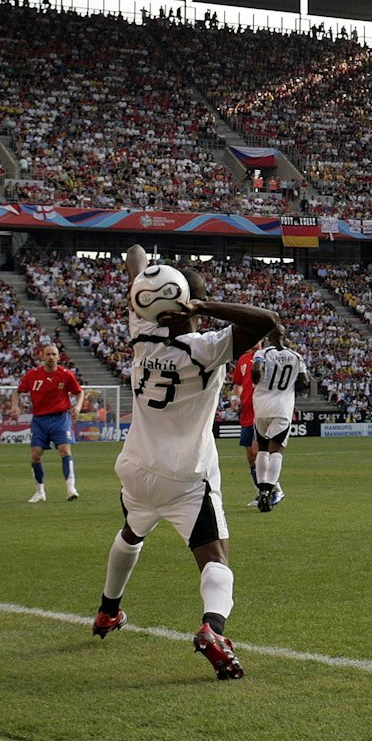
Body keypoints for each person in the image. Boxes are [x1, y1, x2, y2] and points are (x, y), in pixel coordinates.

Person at [92, 247, 278, 682]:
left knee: (132, 532)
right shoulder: (206, 348)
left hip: (136, 465)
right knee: (216, 558)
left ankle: (107, 612)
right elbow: (267, 320)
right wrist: (201, 305)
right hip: (185, 474)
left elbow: (134, 254)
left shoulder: (142, 333)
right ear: (187, 302)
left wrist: (148, 282)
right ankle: (213, 630)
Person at [12, 343, 85, 503]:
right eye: (48, 354)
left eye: (54, 354)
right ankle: (40, 492)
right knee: (36, 455)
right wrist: (14, 405)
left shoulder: (66, 375)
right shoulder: (32, 375)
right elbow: (17, 391)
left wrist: (78, 406)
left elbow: (79, 392)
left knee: (64, 450)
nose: (51, 357)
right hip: (39, 420)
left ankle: (71, 488)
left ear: (58, 357)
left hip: (60, 419)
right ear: (42, 356)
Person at [250, 330, 311, 512]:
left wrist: (258, 382)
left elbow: (256, 371)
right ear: (285, 338)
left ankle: (261, 489)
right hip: (282, 407)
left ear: (268, 337)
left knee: (262, 447)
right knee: (276, 449)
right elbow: (304, 381)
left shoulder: (263, 353)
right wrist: (289, 386)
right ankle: (269, 491)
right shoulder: (296, 356)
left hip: (261, 405)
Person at [229, 347, 262, 507]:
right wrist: (235, 398)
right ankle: (260, 493)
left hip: (262, 412)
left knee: (258, 453)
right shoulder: (242, 359)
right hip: (247, 413)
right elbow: (238, 383)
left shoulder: (267, 357)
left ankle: (272, 490)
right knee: (250, 456)